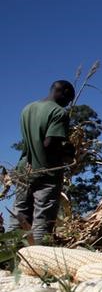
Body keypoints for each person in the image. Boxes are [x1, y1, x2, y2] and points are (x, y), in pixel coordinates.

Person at [9, 80, 76, 243]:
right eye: (69, 100)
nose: (68, 104)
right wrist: (68, 151)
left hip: (24, 168)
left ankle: (7, 254)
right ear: (64, 92)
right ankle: (39, 262)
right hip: (47, 171)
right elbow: (49, 144)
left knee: (19, 215)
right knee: (42, 219)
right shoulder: (59, 112)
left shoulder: (27, 108)